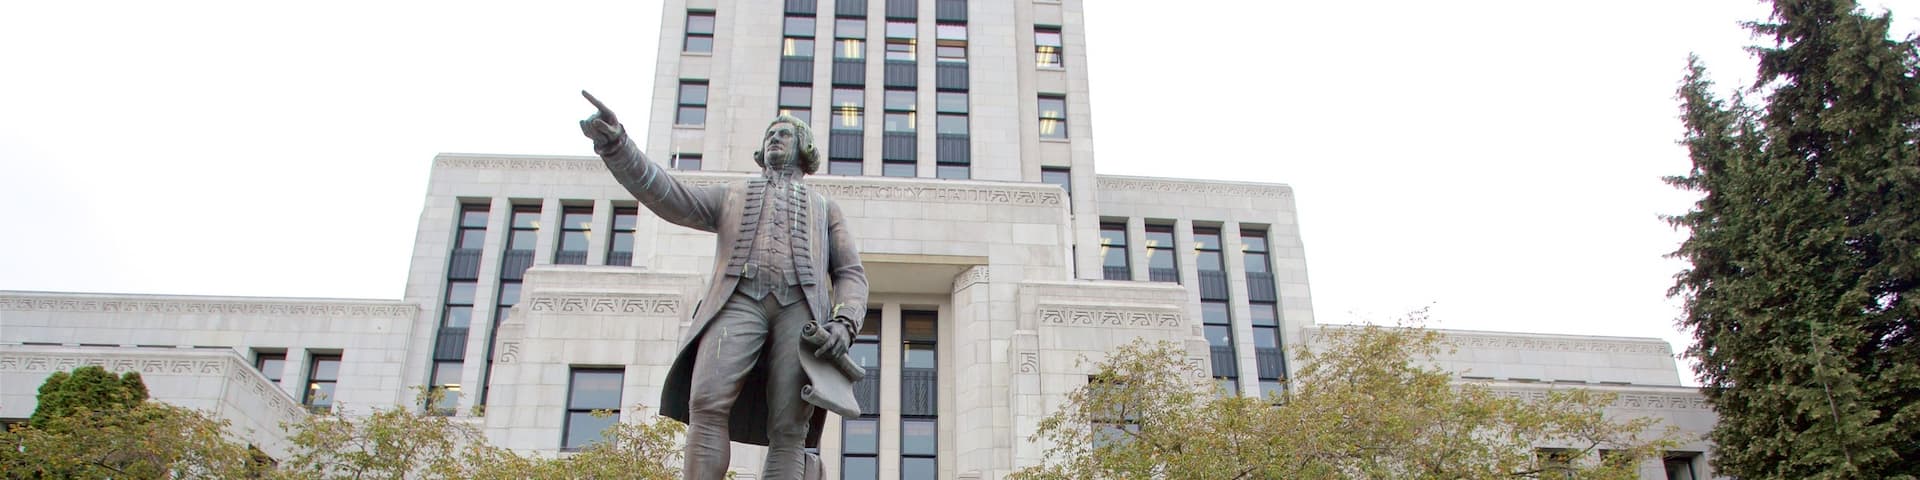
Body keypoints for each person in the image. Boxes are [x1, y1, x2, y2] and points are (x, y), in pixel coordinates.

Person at [580, 91, 867, 480]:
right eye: (770, 135)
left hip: (800, 313)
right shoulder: (733, 194)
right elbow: (668, 195)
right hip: (738, 300)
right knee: (707, 402)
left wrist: (844, 323)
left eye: (784, 134)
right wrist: (617, 146)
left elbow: (850, 273)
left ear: (804, 147)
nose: (774, 139)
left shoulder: (825, 208)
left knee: (790, 427)